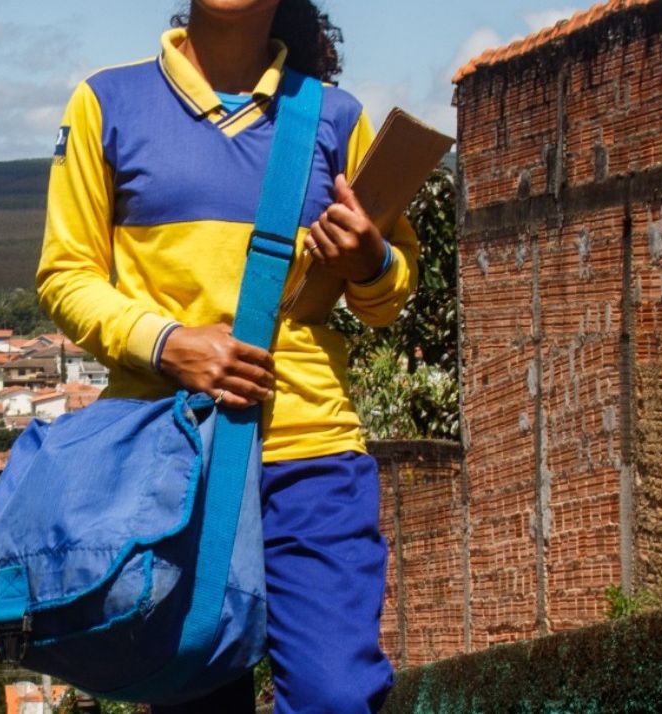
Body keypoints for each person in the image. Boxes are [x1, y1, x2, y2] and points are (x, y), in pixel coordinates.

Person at [35, 0, 418, 711]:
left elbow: (389, 295)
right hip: (174, 462)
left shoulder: (336, 119)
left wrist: (370, 261)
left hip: (310, 456)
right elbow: (66, 275)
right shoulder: (106, 103)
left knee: (337, 696)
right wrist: (168, 345)